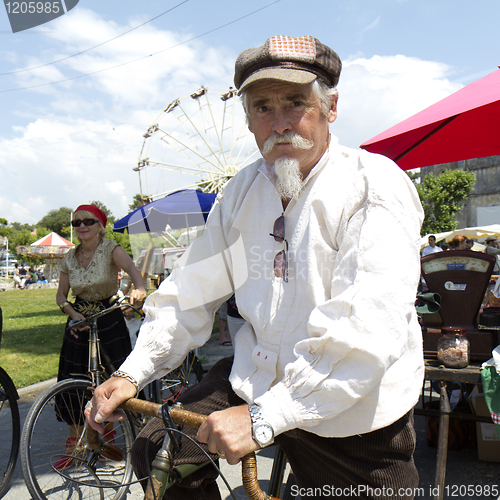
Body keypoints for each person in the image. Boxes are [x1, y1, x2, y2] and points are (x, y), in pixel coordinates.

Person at [87, 35, 424, 498]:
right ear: (247, 119)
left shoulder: (373, 184)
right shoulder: (242, 192)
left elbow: (366, 326)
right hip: (259, 375)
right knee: (163, 453)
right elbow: (191, 291)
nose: (280, 122)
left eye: (296, 102)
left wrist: (266, 417)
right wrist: (131, 372)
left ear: (331, 107)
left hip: (351, 407)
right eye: (262, 107)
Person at [54, 203, 147, 470]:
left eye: (89, 221)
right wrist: (72, 314)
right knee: (72, 381)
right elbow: (61, 295)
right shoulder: (69, 258)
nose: (82, 226)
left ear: (100, 226)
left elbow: (133, 271)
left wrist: (139, 289)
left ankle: (107, 436)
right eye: (76, 223)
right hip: (78, 319)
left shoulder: (111, 249)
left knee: (112, 377)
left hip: (108, 316)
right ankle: (74, 445)